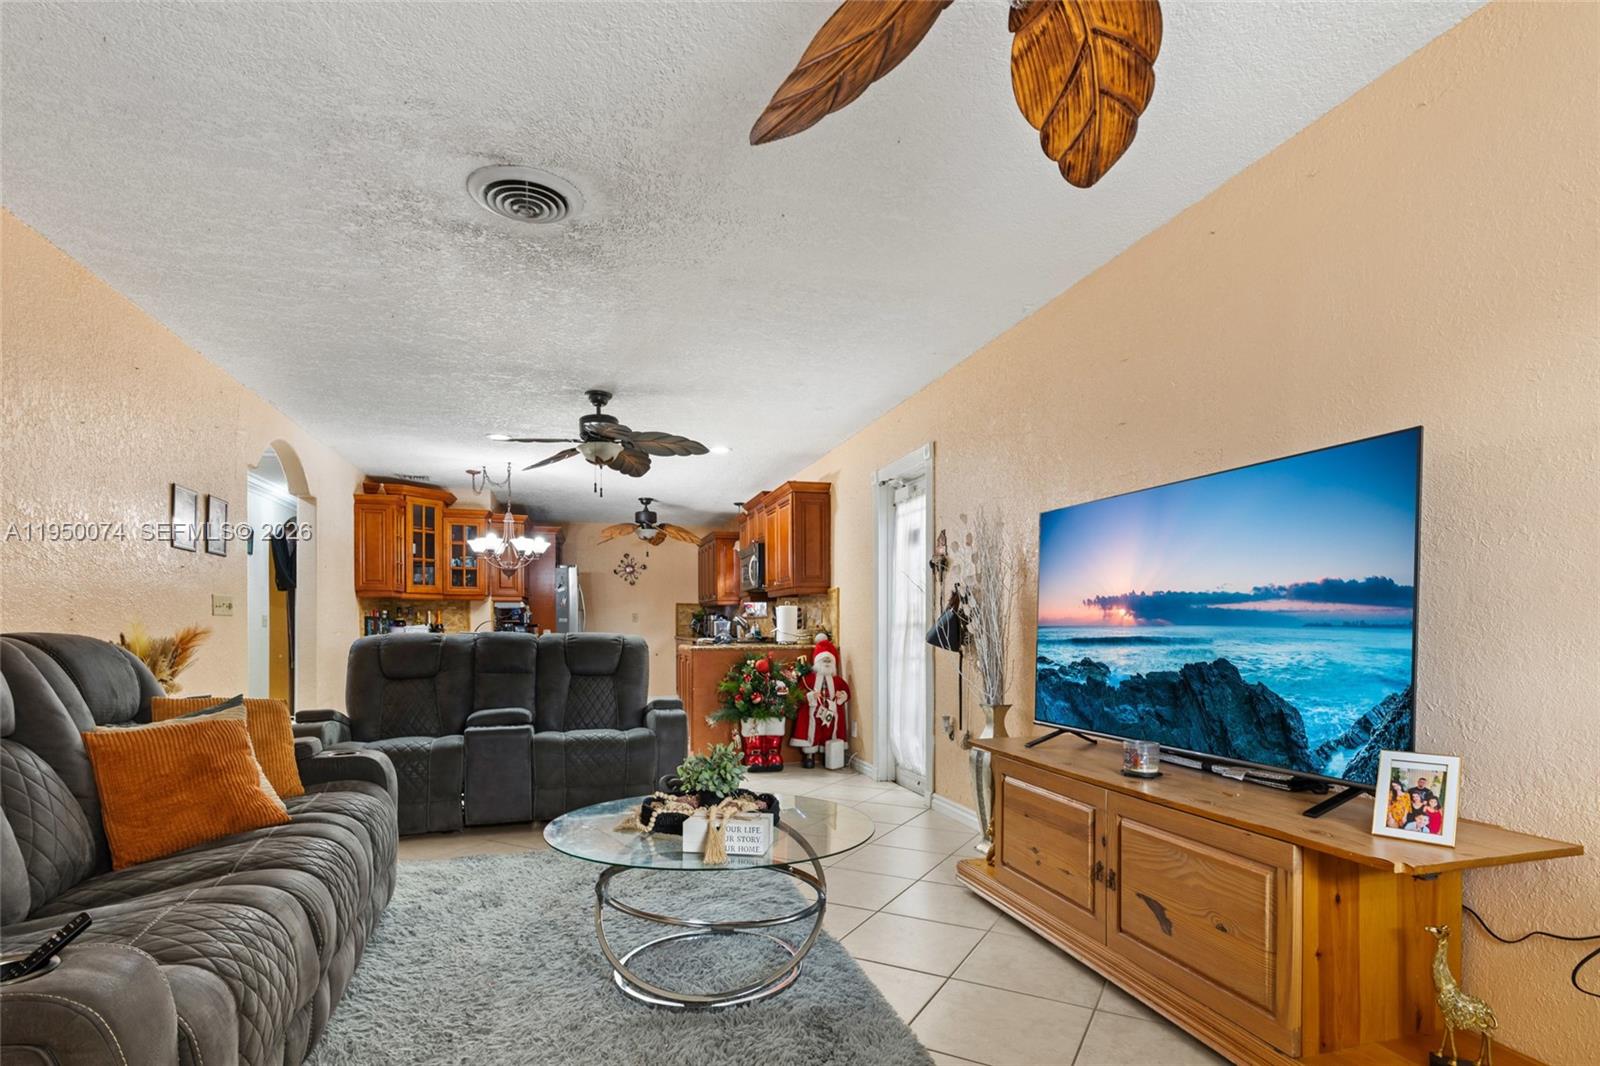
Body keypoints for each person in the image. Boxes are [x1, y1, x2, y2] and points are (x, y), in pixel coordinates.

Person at [792, 634, 850, 769]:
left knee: (829, 731)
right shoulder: (808, 679)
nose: (827, 663)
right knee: (810, 730)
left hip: (830, 710)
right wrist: (811, 695)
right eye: (824, 660)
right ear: (817, 661)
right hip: (812, 710)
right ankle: (809, 756)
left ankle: (828, 755)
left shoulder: (838, 681)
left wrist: (842, 695)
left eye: (829, 660)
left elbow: (847, 692)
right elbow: (799, 694)